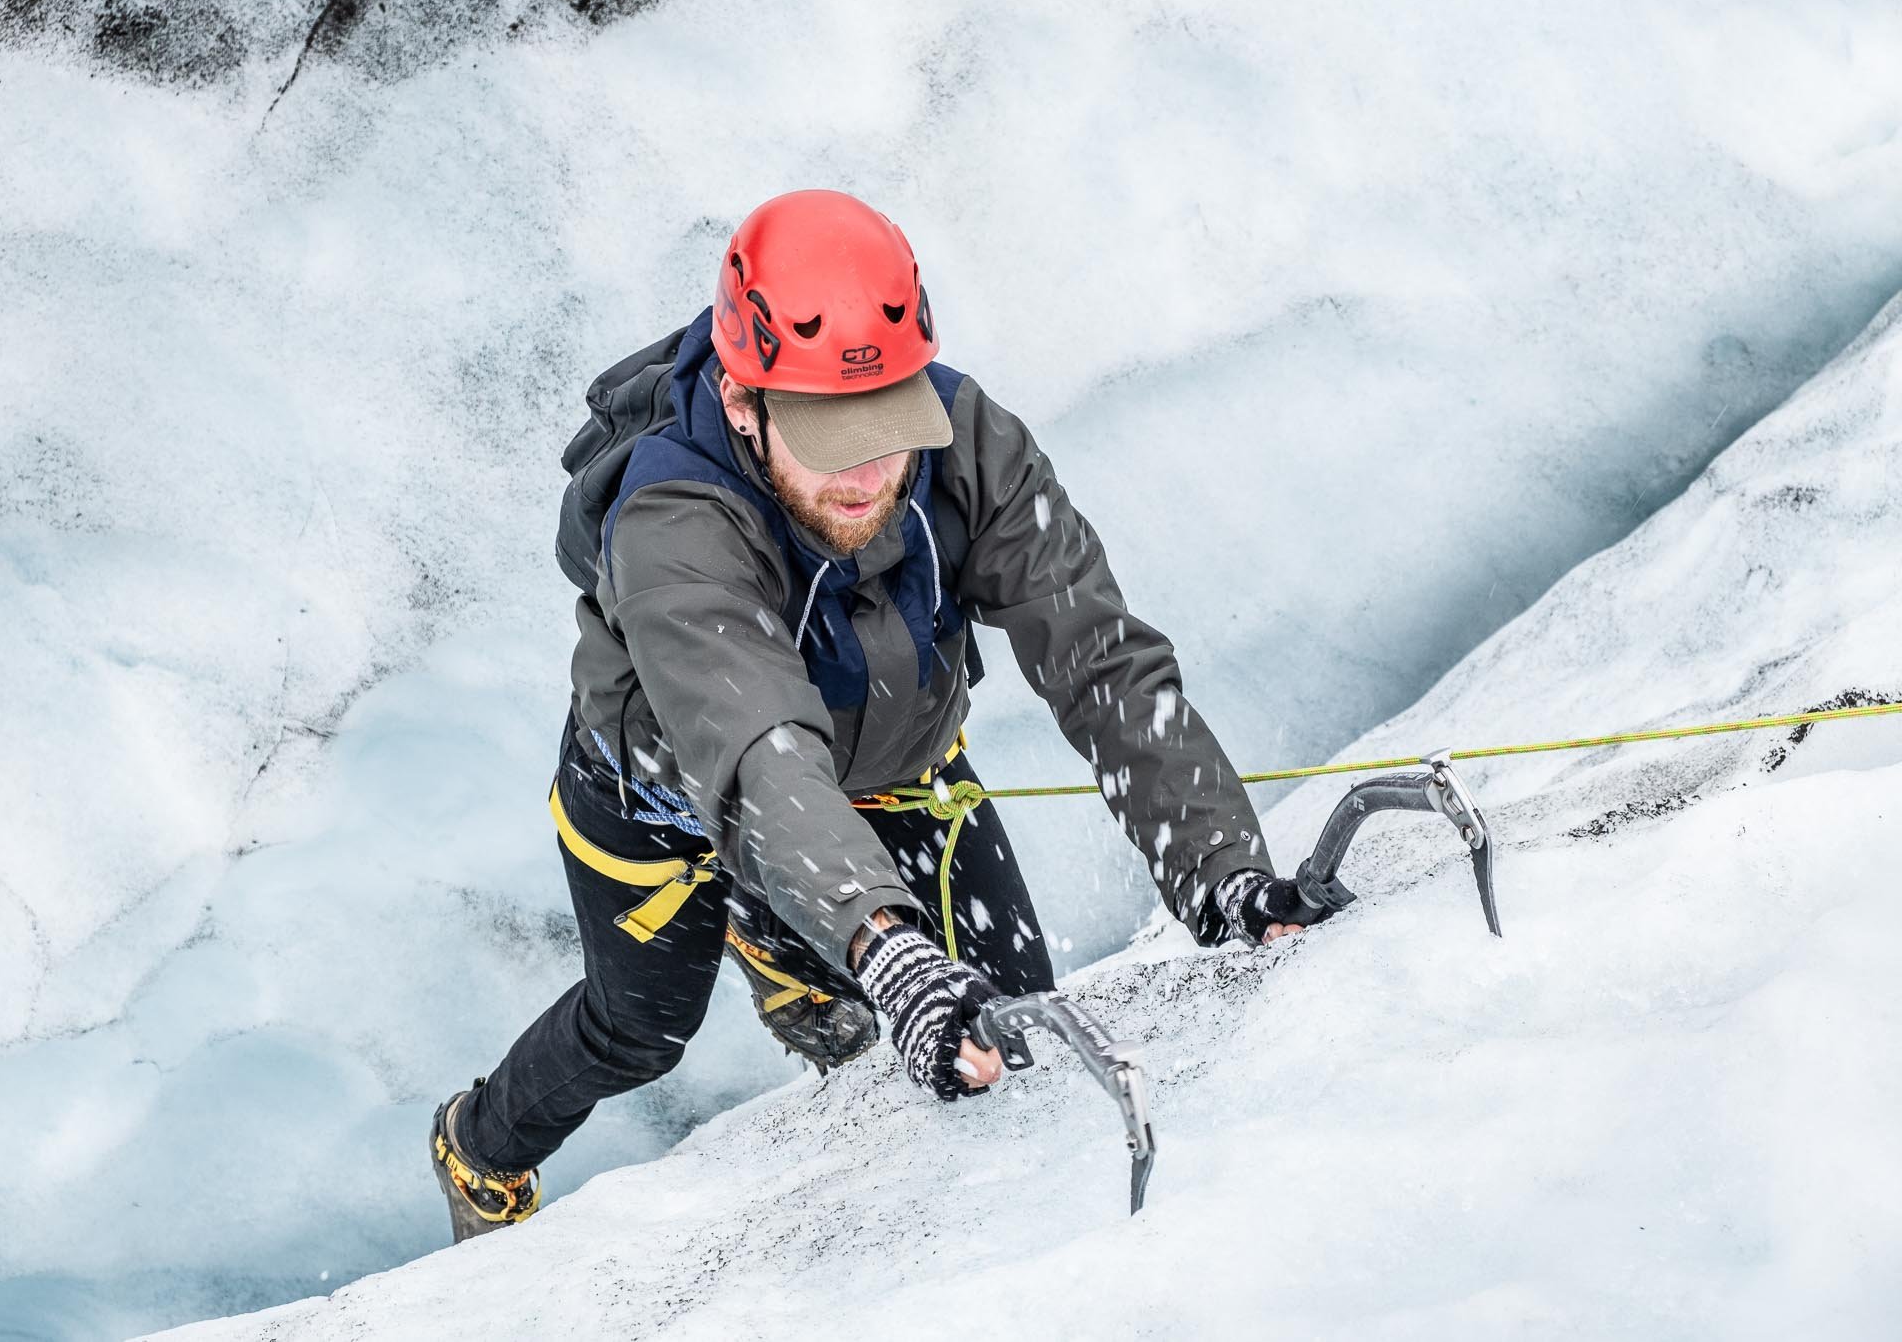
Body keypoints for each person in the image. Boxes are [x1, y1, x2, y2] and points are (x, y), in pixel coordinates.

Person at [428, 189, 1329, 1241]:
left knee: (1011, 1029)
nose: (866, 473)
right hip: (664, 803)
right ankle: (477, 1144)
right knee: (639, 1027)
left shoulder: (970, 441)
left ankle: (788, 935)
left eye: (887, 426)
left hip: (888, 769)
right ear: (740, 403)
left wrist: (1216, 871)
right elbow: (762, 757)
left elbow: (1099, 660)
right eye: (827, 433)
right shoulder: (670, 524)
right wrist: (885, 947)